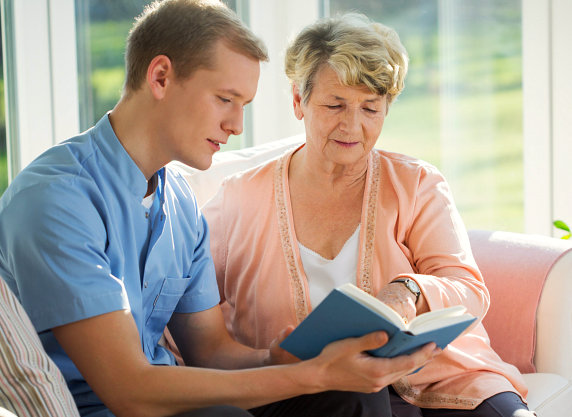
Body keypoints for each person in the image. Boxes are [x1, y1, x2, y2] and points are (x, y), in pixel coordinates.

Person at [0, 1, 439, 416]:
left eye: (243, 106)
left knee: (347, 395)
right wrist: (307, 375)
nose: (237, 126)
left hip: (182, 400)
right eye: (225, 99)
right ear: (160, 77)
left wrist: (276, 358)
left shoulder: (179, 202)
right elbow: (129, 391)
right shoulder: (57, 198)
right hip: (115, 407)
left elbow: (210, 352)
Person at [202, 12, 535, 417]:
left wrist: (410, 291)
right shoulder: (237, 200)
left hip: (440, 378)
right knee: (360, 398)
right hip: (315, 389)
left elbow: (468, 289)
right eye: (335, 104)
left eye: (370, 109)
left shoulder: (417, 184)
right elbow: (188, 314)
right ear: (298, 101)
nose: (352, 126)